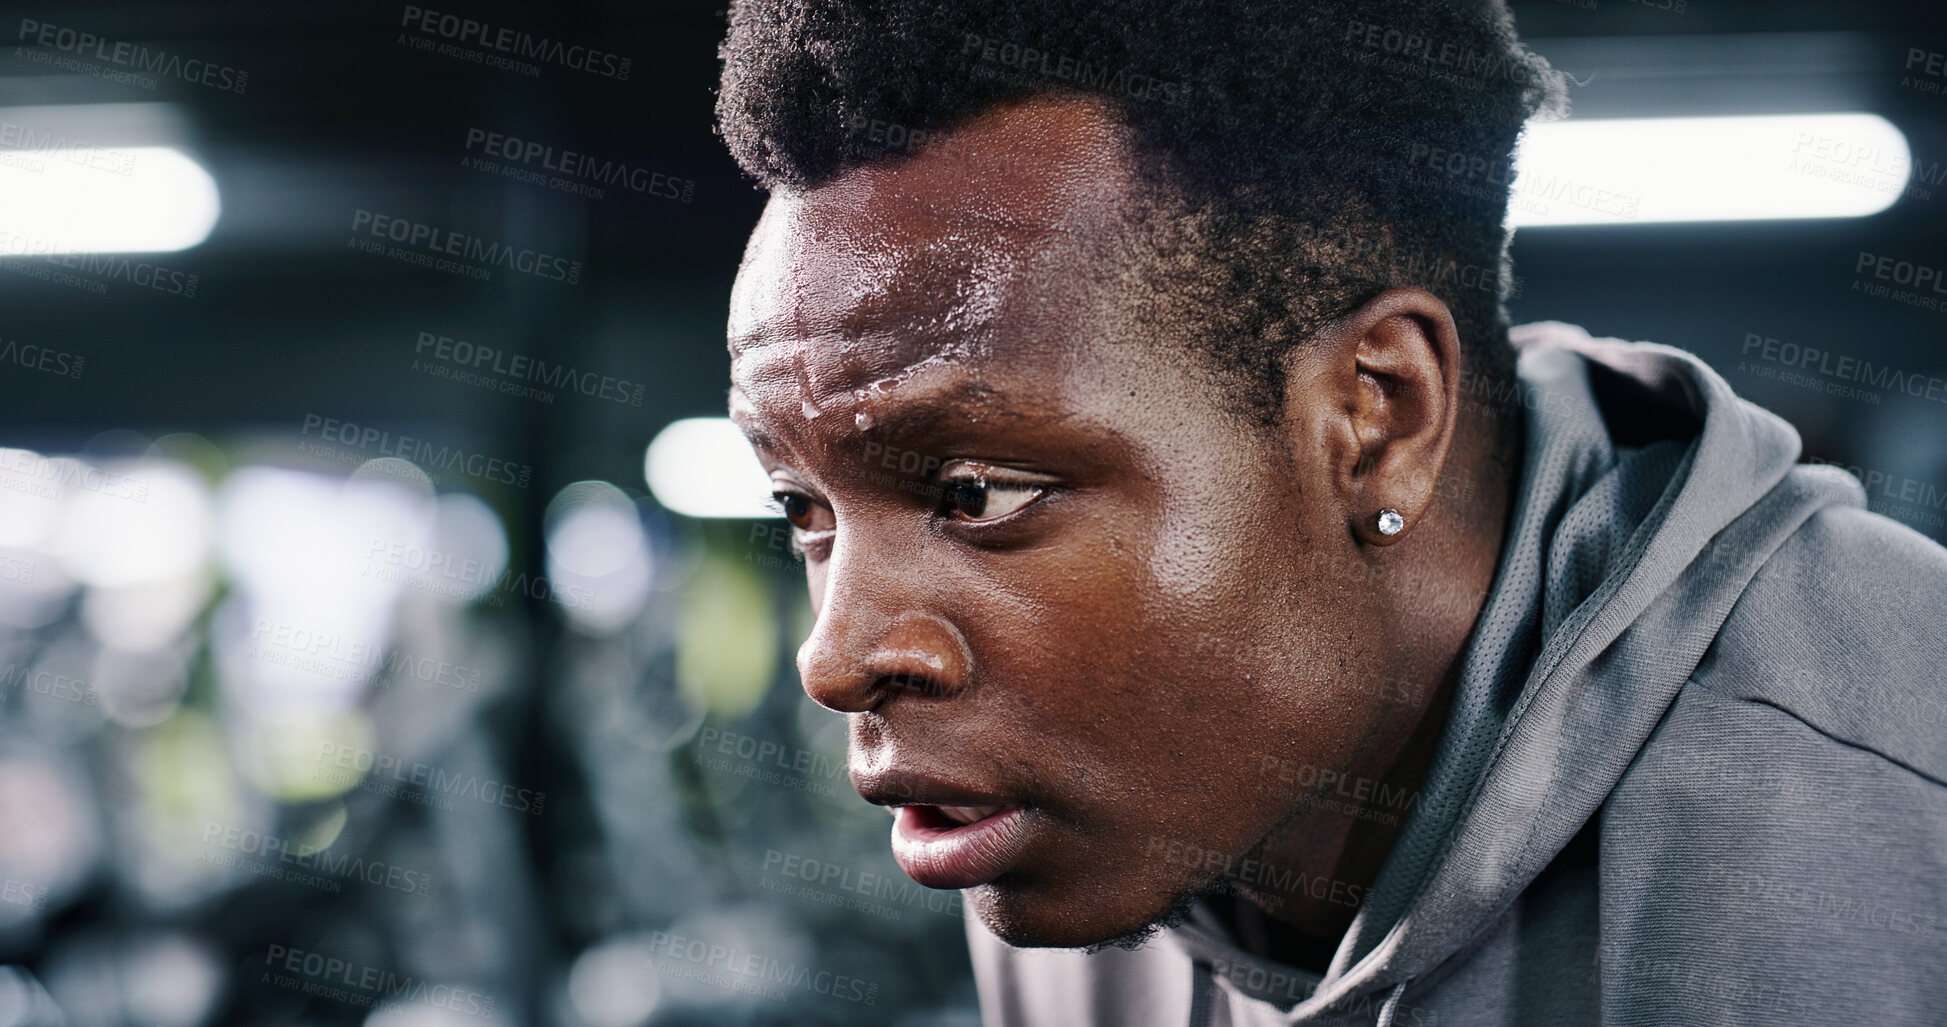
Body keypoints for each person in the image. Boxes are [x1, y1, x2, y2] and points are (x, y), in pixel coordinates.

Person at [711, 1, 1947, 1023]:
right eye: (803, 508)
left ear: (1378, 420)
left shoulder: (1892, 821)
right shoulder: (1064, 825)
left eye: (976, 494)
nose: (835, 656)